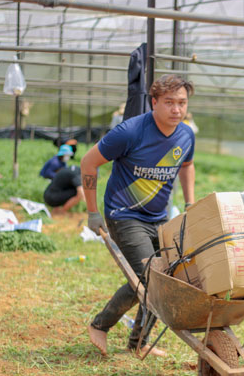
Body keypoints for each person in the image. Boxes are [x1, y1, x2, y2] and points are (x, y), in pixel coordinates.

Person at [82, 74, 196, 358]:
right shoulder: (130, 132)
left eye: (182, 103)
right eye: (169, 103)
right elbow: (88, 162)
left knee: (165, 279)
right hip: (124, 214)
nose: (176, 110)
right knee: (151, 279)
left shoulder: (186, 135)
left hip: (159, 217)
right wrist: (93, 212)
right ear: (153, 102)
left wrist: (190, 202)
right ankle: (100, 324)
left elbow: (187, 166)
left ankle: (138, 343)